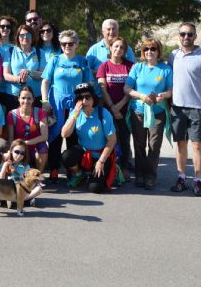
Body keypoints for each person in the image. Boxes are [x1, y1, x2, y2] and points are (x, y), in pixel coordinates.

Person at [168, 22, 201, 197]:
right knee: (180, 144)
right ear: (179, 36)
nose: (186, 37)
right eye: (183, 34)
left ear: (195, 36)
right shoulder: (173, 55)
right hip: (177, 108)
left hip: (197, 107)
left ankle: (198, 180)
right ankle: (181, 177)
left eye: (190, 34)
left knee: (197, 145)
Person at [40, 29, 92, 182]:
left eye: (70, 43)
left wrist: (85, 100)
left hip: (76, 103)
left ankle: (72, 168)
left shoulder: (82, 61)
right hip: (56, 103)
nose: (67, 46)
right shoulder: (55, 60)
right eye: (64, 44)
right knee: (55, 136)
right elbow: (45, 81)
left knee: (74, 136)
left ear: (76, 44)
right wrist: (45, 101)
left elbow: (89, 83)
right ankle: (54, 169)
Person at [124, 38, 172, 189]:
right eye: (146, 49)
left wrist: (162, 96)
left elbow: (171, 90)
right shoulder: (137, 68)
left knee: (154, 145)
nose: (149, 52)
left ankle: (150, 176)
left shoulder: (165, 69)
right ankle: (139, 174)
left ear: (158, 51)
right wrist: (141, 96)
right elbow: (127, 88)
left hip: (157, 112)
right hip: (138, 111)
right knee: (139, 145)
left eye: (153, 49)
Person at [61, 83, 117, 193]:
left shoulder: (103, 113)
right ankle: (79, 175)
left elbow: (112, 140)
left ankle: (113, 170)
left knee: (94, 188)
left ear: (93, 98)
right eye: (80, 98)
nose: (84, 101)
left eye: (87, 97)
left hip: (101, 155)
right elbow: (64, 134)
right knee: (66, 156)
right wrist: (75, 115)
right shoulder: (75, 113)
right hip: (84, 153)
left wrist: (101, 161)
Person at [96, 37, 134, 174]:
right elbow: (102, 89)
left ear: (125, 51)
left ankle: (124, 167)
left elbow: (133, 88)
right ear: (110, 48)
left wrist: (120, 105)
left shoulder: (130, 66)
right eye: (115, 46)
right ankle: (109, 167)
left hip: (126, 109)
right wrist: (112, 107)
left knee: (124, 139)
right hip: (108, 109)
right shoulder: (104, 66)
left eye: (121, 47)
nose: (118, 49)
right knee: (109, 139)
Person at [6, 86, 49, 172]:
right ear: (18, 99)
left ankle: (38, 175)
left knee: (43, 147)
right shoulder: (12, 114)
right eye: (23, 98)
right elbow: (11, 138)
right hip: (19, 149)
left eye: (29, 98)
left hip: (34, 147)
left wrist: (26, 143)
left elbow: (44, 136)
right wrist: (10, 152)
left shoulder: (40, 112)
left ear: (33, 100)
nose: (26, 101)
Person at [3, 24, 45, 110]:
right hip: (14, 97)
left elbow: (43, 75)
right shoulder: (10, 51)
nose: (25, 37)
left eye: (28, 35)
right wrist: (18, 79)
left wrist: (29, 72)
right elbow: (6, 75)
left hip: (35, 97)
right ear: (18, 37)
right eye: (22, 35)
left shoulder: (40, 52)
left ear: (32, 37)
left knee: (34, 123)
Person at [0, 139, 43, 209]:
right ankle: (25, 201)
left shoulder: (26, 166)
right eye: (17, 152)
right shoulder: (5, 163)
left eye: (22, 153)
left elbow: (29, 183)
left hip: (21, 191)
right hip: (8, 190)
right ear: (11, 151)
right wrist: (4, 166)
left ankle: (17, 201)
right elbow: (0, 180)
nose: (19, 155)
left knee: (39, 189)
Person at [0, 15, 18, 111]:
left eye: (8, 26)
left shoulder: (16, 48)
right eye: (2, 26)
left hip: (10, 90)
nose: (5, 29)